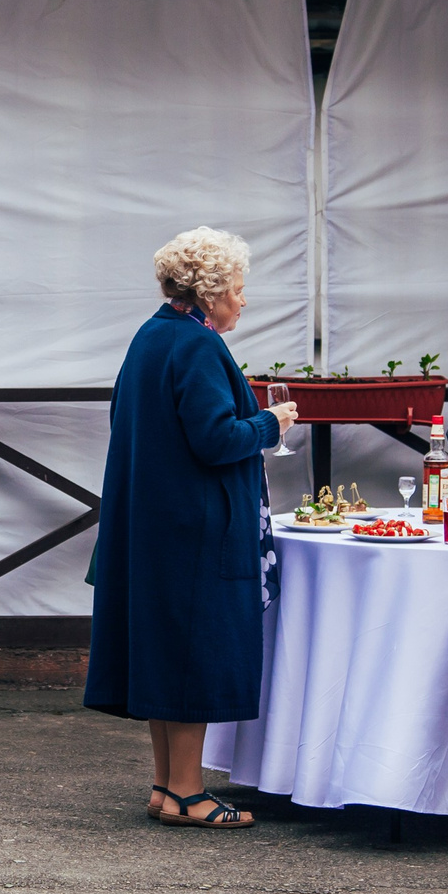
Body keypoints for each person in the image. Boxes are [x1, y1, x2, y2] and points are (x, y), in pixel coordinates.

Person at [82, 227, 298, 830]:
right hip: (194, 529)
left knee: (165, 655)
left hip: (154, 525)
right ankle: (188, 793)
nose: (243, 300)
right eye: (237, 289)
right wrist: (269, 422)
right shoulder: (197, 346)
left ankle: (164, 786)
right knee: (194, 657)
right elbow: (214, 438)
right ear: (209, 293)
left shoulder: (151, 336)